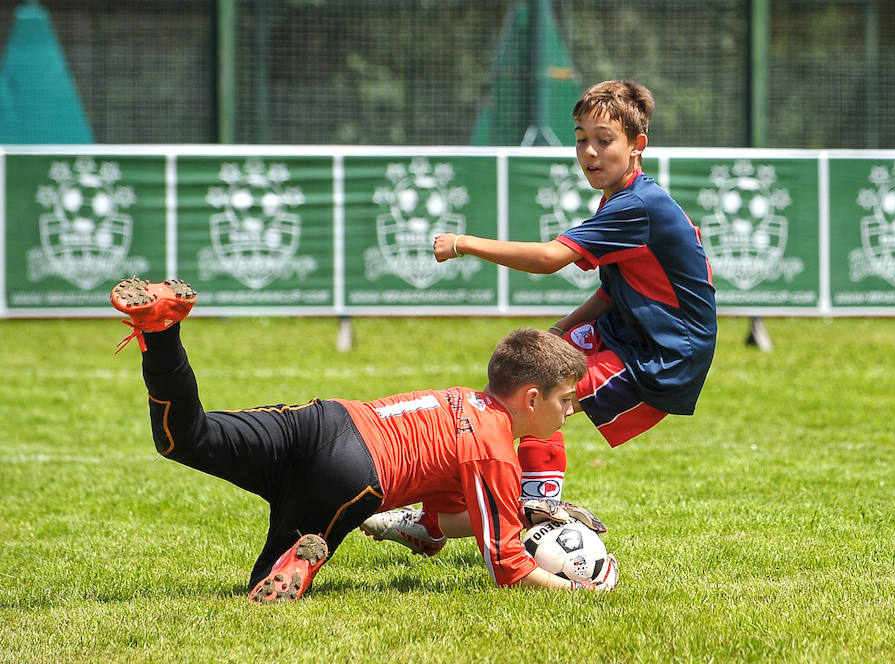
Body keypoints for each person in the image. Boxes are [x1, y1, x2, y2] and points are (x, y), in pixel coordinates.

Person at [365, 80, 716, 556]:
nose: (589, 152)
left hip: (664, 351)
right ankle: (474, 512)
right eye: (580, 139)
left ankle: (518, 510)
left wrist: (465, 243)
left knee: (536, 403)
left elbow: (551, 257)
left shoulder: (638, 206)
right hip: (632, 328)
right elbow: (615, 290)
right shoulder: (621, 198)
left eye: (604, 140)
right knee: (524, 383)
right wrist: (560, 333)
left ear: (638, 146)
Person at [110, 277, 618, 603]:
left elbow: (437, 523)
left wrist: (526, 512)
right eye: (567, 399)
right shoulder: (494, 448)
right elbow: (508, 567)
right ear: (530, 399)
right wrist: (577, 587)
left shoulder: (465, 400)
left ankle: (160, 330)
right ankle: (300, 560)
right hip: (350, 475)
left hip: (321, 420)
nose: (572, 410)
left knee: (185, 439)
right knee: (261, 590)